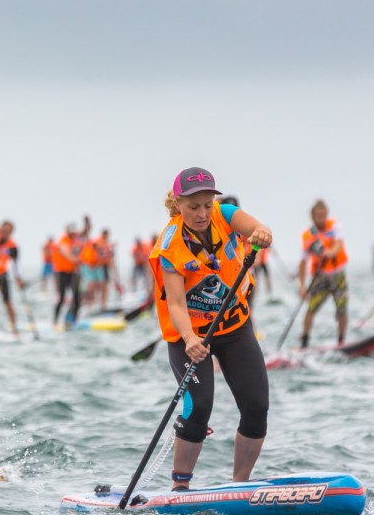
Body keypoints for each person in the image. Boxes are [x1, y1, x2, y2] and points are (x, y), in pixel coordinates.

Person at [149, 167, 273, 488]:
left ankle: (239, 485)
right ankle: (180, 487)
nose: (202, 213)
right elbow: (175, 303)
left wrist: (262, 233)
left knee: (257, 407)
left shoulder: (224, 214)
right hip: (190, 336)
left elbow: (258, 228)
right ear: (178, 205)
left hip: (234, 328)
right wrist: (190, 338)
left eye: (207, 205)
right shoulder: (170, 245)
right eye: (193, 207)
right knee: (198, 407)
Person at [298, 200, 348, 347]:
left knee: (342, 308)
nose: (321, 217)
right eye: (318, 215)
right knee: (311, 308)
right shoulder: (307, 235)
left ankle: (341, 341)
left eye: (323, 214)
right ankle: (305, 341)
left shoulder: (335, 225)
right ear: (312, 217)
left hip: (338, 275)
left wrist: (329, 253)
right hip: (320, 276)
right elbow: (302, 262)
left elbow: (338, 245)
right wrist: (302, 286)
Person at [52, 217, 90, 329]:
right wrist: (76, 260)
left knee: (77, 296)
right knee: (62, 297)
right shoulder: (63, 240)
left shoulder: (76, 238)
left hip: (73, 272)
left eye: (75, 232)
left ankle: (72, 319)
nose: (74, 234)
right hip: (61, 272)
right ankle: (55, 321)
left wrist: (87, 222)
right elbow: (65, 252)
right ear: (67, 231)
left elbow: (85, 231)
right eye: (72, 232)